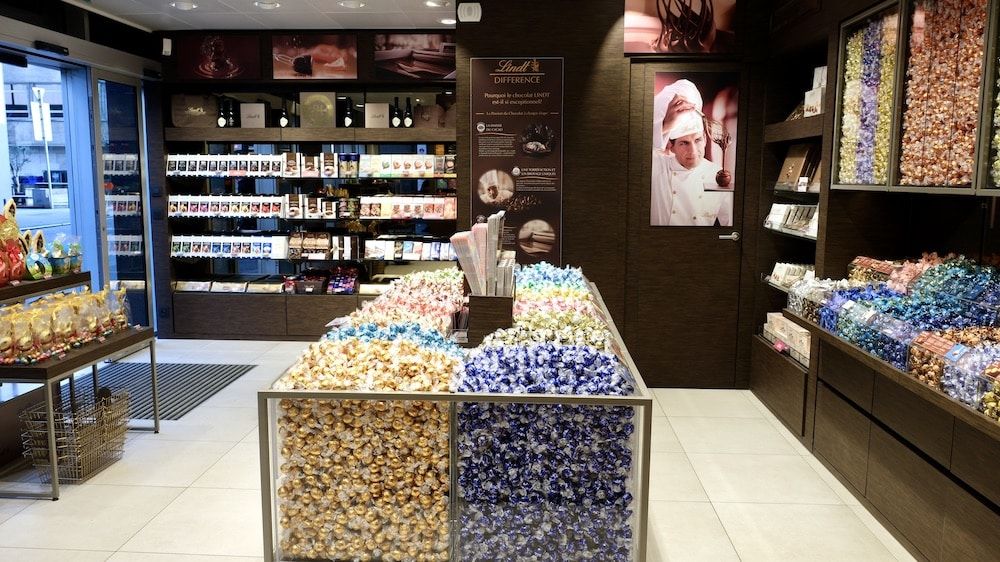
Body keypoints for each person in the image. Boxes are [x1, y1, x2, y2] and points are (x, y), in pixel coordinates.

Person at [650, 79, 733, 226]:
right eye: (684, 143)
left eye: (698, 140)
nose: (693, 151)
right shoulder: (656, 166)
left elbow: (731, 224)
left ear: (705, 139)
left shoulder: (719, 175)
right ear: (671, 146)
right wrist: (664, 126)